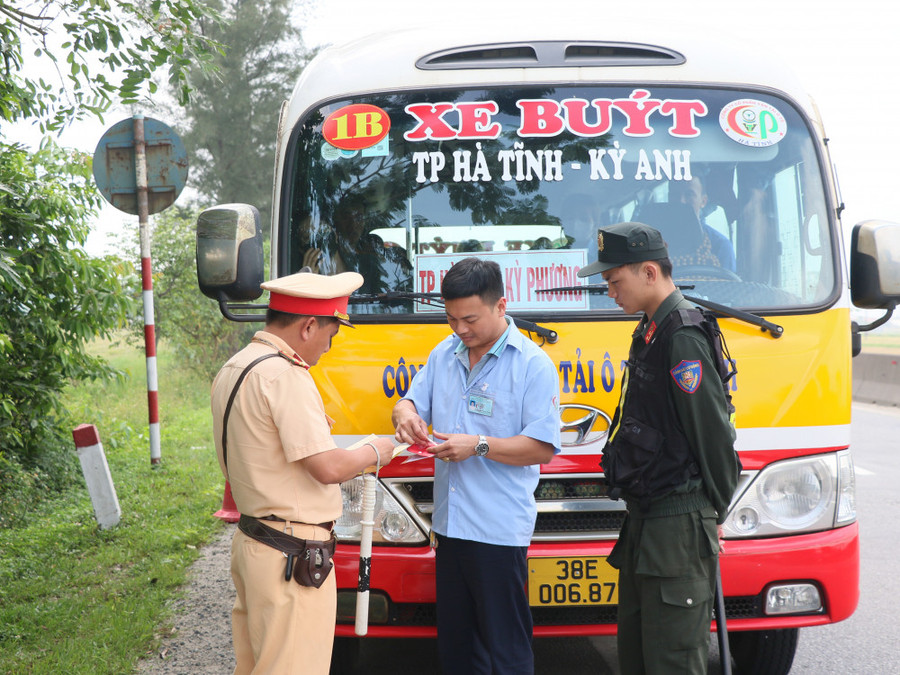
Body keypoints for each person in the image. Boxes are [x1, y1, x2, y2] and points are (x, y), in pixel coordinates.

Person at [211, 270, 395, 675]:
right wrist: (376, 449)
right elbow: (327, 468)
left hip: (256, 540)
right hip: (290, 553)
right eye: (332, 334)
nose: (329, 348)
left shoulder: (236, 365)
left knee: (258, 664)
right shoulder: (286, 376)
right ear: (309, 325)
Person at [576, 223, 740, 674]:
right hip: (648, 520)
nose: (609, 292)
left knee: (671, 661)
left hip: (679, 524)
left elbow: (713, 435)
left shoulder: (682, 335)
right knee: (638, 656)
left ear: (649, 272)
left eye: (614, 281)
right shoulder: (651, 328)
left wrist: (712, 516)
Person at [391, 257, 562, 675]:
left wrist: (479, 445)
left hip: (498, 531)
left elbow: (541, 447)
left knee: (506, 648)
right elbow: (410, 400)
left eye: (469, 319)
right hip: (450, 528)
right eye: (451, 320)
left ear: (501, 306)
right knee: (458, 648)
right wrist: (405, 413)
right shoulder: (444, 353)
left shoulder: (532, 365)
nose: (460, 330)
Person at [669, 176, 736, 272]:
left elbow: (729, 286)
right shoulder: (652, 245)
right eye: (675, 195)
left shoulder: (720, 246)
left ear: (703, 201)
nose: (681, 201)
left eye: (689, 195)